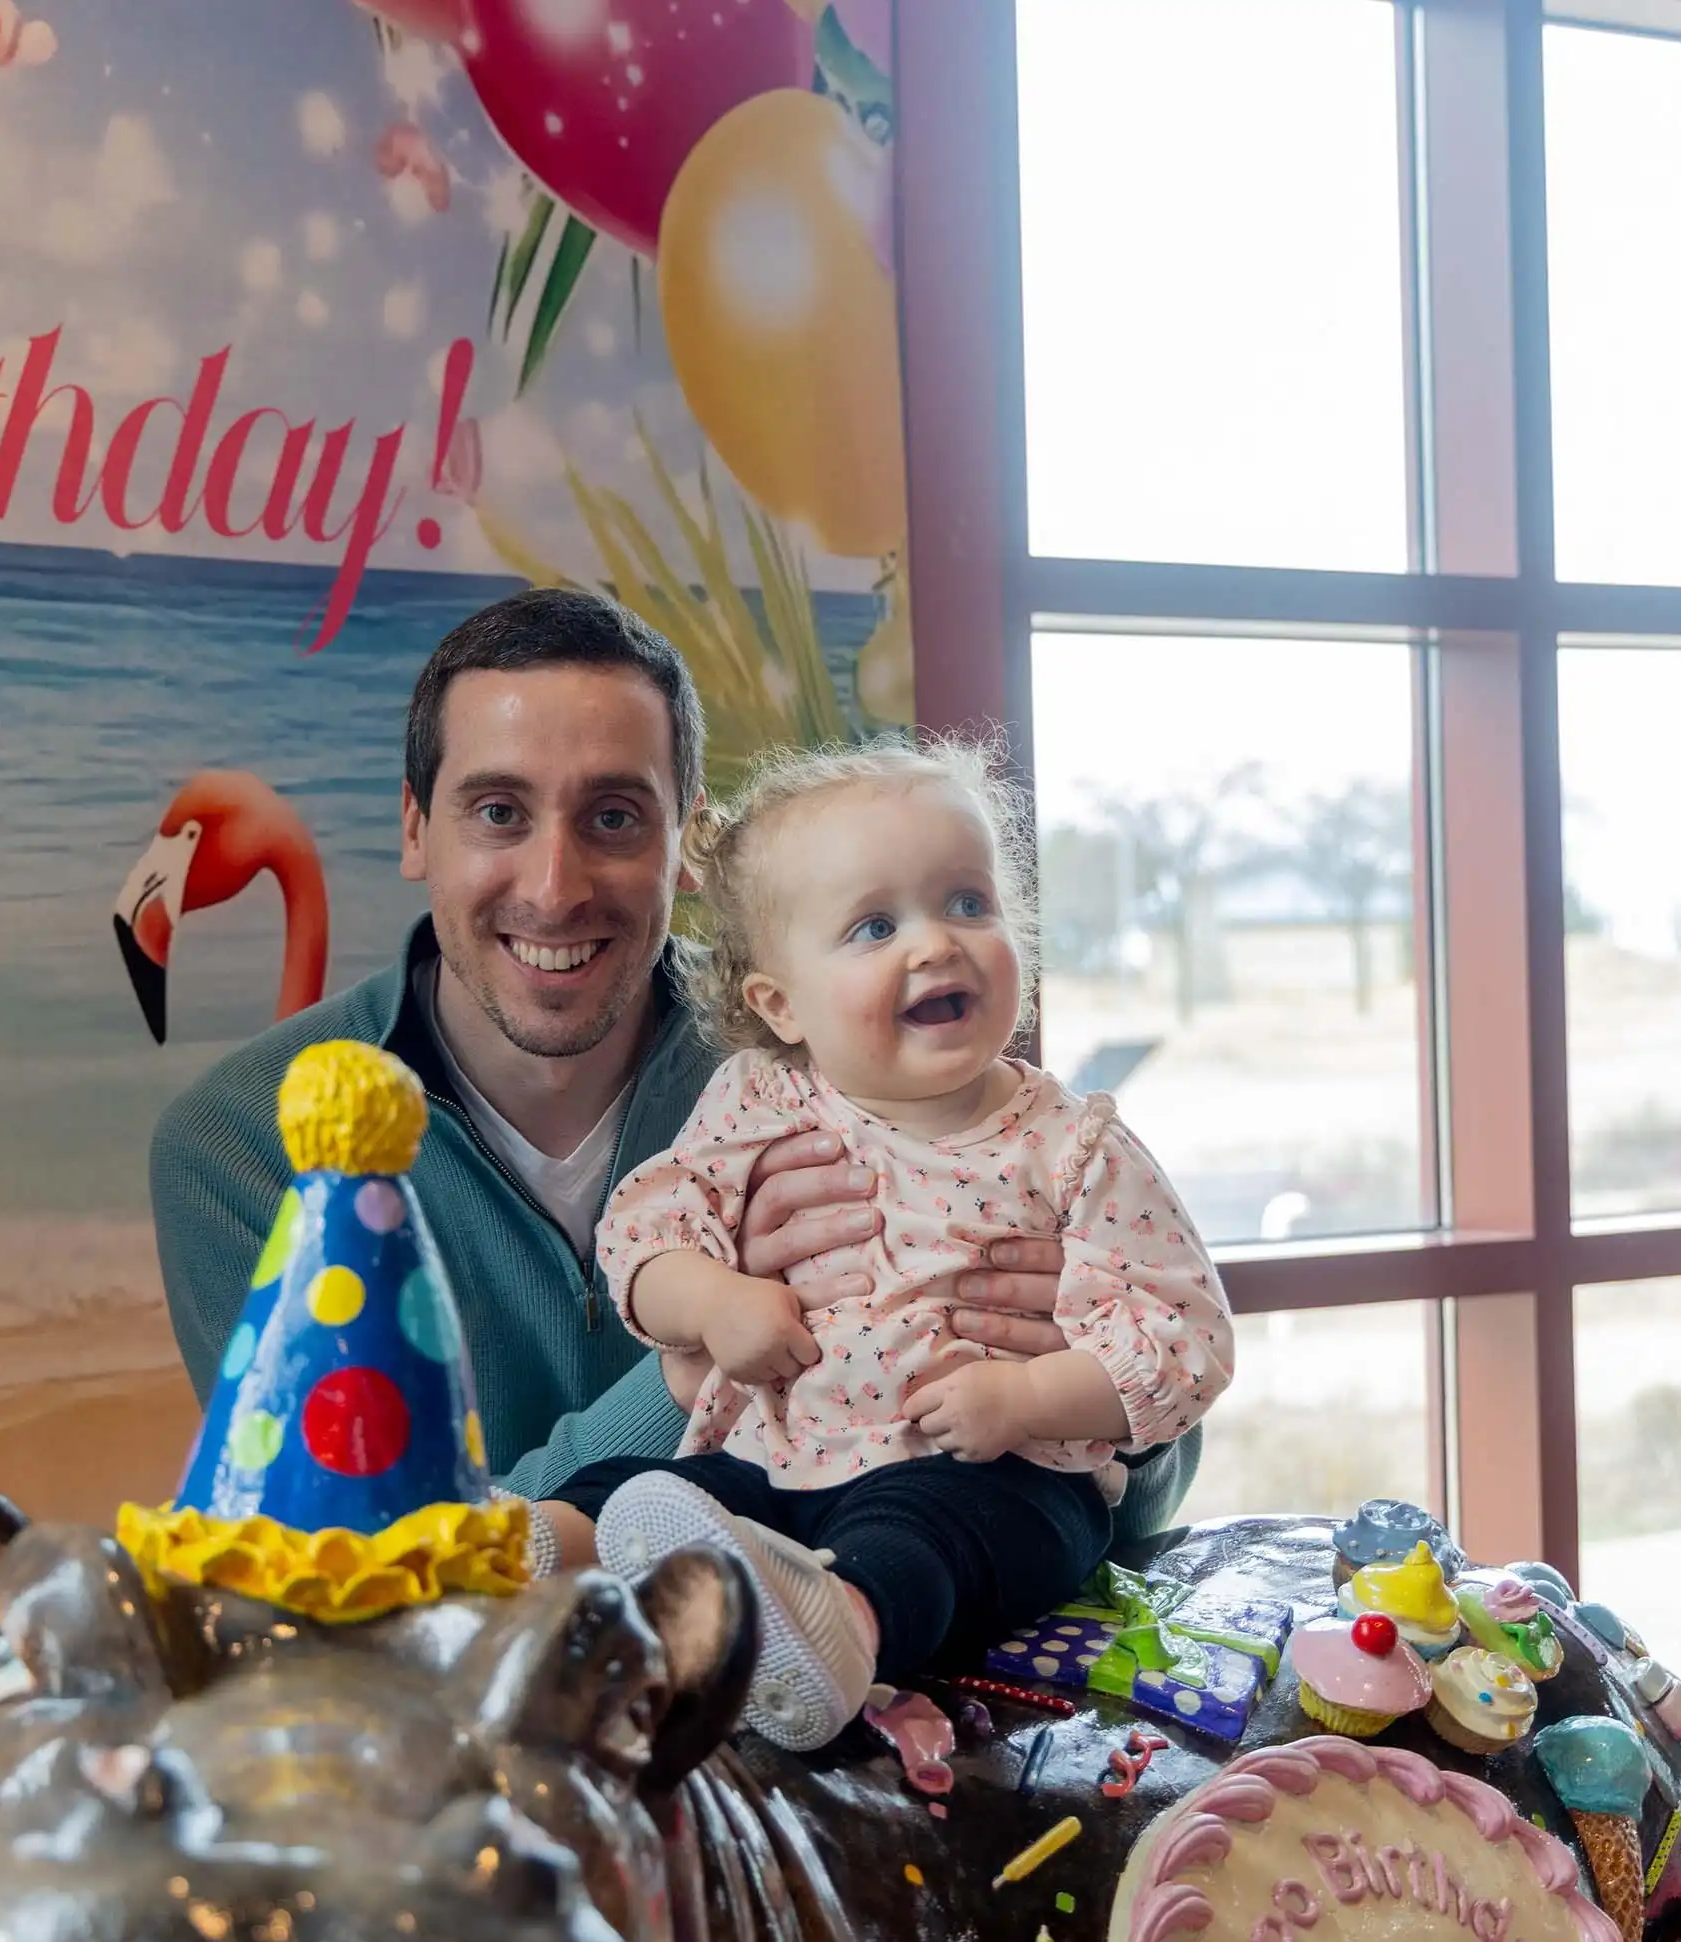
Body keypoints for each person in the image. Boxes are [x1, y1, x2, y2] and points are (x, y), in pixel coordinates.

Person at [149, 588, 1199, 1533]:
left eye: (614, 817)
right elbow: (355, 1549)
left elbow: (1153, 1485)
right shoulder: (240, 1146)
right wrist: (690, 1358)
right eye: (499, 813)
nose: (555, 887)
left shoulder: (860, 1040)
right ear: (418, 828)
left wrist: (1069, 1371)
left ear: (689, 850)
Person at [534, 738, 1234, 1749]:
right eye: (875, 925)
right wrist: (713, 1306)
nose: (937, 944)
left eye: (967, 904)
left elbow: (1186, 1336)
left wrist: (1029, 1398)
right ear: (782, 1005)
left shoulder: (1071, 1146)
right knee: (663, 1492)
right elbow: (648, 1227)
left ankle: (839, 1635)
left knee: (932, 1535)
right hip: (776, 1455)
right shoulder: (758, 1102)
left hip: (992, 1473)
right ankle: (530, 1557)